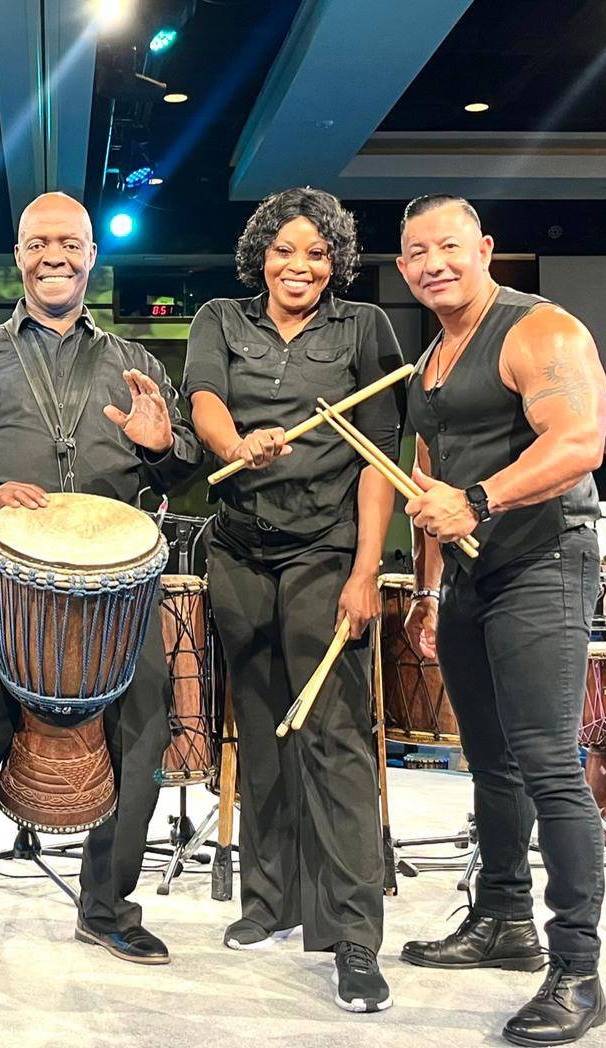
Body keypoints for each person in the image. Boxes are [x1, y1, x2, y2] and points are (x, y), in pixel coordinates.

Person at [0, 191, 201, 993]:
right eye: (39, 243)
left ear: (93, 255)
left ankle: (108, 908)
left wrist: (162, 446)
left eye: (70, 243)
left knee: (140, 740)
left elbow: (182, 473)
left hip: (117, 598)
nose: (55, 257)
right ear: (19, 255)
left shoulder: (135, 363)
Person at [395, 194, 606, 1046]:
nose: (432, 264)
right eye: (415, 253)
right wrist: (425, 590)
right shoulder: (432, 360)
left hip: (543, 561)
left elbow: (578, 442)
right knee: (488, 765)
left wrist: (479, 502)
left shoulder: (539, 330)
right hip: (470, 580)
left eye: (448, 246)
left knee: (549, 764)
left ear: (483, 247)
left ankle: (578, 970)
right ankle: (504, 920)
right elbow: (427, 485)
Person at [181, 186, 400, 1013]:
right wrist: (237, 445)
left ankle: (352, 935)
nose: (299, 265)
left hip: (325, 551)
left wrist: (364, 570)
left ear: (335, 261)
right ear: (261, 256)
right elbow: (202, 399)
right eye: (284, 250)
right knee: (264, 732)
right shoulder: (220, 319)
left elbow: (379, 453)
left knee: (333, 738)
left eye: (315, 252)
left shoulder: (365, 330)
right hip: (239, 549)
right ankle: (267, 902)